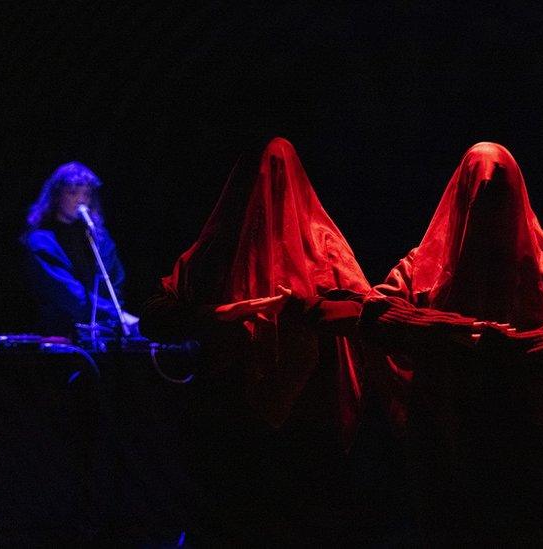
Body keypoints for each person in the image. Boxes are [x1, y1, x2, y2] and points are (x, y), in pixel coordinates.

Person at [360, 142, 543, 544]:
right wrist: (457, 329)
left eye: (498, 197)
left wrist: (517, 347)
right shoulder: (428, 261)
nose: (487, 211)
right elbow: (375, 314)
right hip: (444, 437)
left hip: (524, 442)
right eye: (480, 198)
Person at [141, 137, 373, 543]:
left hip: (293, 426)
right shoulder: (224, 250)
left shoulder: (316, 247)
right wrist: (221, 316)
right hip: (241, 425)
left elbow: (363, 316)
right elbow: (156, 317)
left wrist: (306, 311)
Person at [23, 161, 138, 336]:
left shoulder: (98, 237)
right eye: (72, 193)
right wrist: (116, 315)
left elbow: (115, 281)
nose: (81, 200)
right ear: (56, 196)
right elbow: (67, 294)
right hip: (61, 336)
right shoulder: (41, 241)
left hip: (105, 332)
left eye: (87, 194)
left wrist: (114, 320)